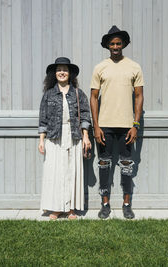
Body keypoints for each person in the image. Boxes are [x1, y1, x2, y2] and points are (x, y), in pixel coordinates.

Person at [90, 26, 144, 219]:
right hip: (104, 126)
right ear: (107, 45)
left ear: (123, 45)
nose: (115, 46)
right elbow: (93, 98)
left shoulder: (134, 67)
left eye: (118, 43)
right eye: (112, 43)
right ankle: (105, 204)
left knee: (127, 165)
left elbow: (139, 96)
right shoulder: (100, 67)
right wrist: (96, 126)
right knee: (104, 164)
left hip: (127, 126)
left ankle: (127, 204)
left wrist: (135, 125)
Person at [38, 57, 91, 220]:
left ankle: (70, 209)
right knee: (55, 172)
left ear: (70, 74)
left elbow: (85, 115)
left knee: (71, 171)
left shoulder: (77, 93)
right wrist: (41, 140)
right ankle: (56, 208)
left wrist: (86, 137)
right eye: (59, 69)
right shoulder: (48, 95)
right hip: (54, 137)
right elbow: (43, 118)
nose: (62, 72)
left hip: (73, 135)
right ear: (55, 73)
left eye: (65, 70)